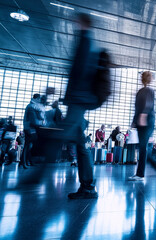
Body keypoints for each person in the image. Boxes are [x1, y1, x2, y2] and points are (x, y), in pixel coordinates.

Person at [64, 13, 99, 199]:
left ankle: (34, 177)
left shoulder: (86, 42)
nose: (74, 24)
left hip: (77, 100)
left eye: (76, 21)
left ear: (82, 23)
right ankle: (88, 186)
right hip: (78, 100)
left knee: (59, 138)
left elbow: (80, 72)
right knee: (80, 145)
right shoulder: (87, 41)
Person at [128, 71, 156, 181]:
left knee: (142, 146)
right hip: (141, 120)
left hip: (147, 120)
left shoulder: (148, 90)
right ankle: (150, 164)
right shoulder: (140, 91)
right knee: (142, 146)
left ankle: (141, 173)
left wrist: (143, 115)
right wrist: (134, 121)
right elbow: (137, 107)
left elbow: (148, 104)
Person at [21, 94, 44, 168]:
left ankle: (25, 161)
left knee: (29, 145)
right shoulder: (31, 106)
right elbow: (33, 119)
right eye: (39, 99)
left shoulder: (32, 106)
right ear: (36, 98)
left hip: (29, 128)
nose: (40, 100)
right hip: (30, 128)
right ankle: (24, 162)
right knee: (27, 145)